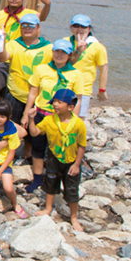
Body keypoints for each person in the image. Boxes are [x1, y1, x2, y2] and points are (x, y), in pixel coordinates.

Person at [23, 37, 85, 192]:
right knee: (38, 147)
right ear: (52, 52)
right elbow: (32, 93)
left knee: (57, 148)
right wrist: (26, 114)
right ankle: (37, 178)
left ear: (70, 55)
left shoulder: (76, 74)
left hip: (62, 117)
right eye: (57, 51)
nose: (59, 54)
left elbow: (77, 100)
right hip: (41, 114)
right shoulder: (41, 69)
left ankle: (55, 180)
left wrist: (74, 120)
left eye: (64, 52)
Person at [0, 14, 51, 184]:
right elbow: (2, 57)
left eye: (31, 26)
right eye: (24, 26)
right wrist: (2, 41)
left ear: (38, 28)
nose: (27, 29)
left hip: (38, 97)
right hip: (15, 93)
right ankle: (6, 152)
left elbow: (61, 62)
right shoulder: (14, 43)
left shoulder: (48, 47)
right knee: (11, 123)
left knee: (33, 130)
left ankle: (28, 155)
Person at [29, 89, 87, 232]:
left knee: (72, 189)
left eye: (59, 102)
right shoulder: (49, 120)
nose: (55, 105)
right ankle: (48, 208)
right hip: (53, 157)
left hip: (71, 160)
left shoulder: (78, 124)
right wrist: (31, 119)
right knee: (50, 183)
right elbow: (35, 132)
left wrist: (77, 164)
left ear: (70, 107)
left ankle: (73, 216)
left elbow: (82, 146)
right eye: (54, 102)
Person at [0, 0, 52, 97]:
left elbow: (42, 17)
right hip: (4, 54)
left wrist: (47, 4)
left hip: (21, 55)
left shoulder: (29, 13)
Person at [66, 14, 108, 118]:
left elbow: (104, 69)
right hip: (64, 86)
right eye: (76, 26)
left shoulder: (97, 47)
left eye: (83, 27)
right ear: (71, 27)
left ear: (89, 28)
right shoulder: (65, 42)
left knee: (78, 121)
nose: (79, 29)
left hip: (83, 90)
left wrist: (102, 90)